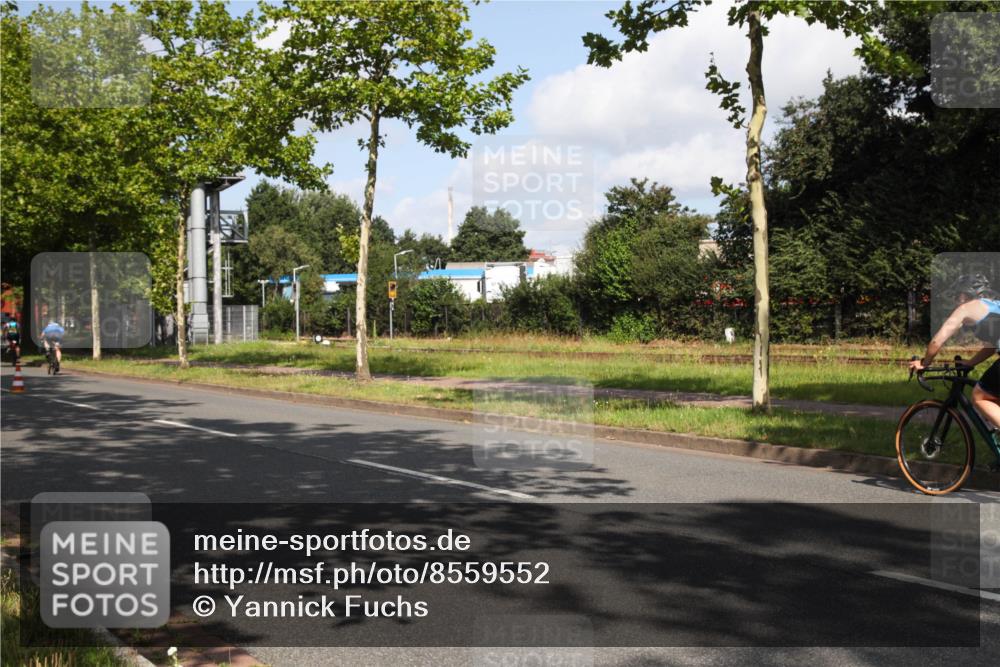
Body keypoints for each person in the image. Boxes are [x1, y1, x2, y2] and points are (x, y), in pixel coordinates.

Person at [909, 273, 1000, 432]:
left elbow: (937, 341)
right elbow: (991, 347)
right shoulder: (994, 305)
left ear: (964, 294)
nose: (955, 300)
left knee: (980, 396)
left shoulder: (965, 308)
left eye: (957, 295)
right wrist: (971, 363)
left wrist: (924, 364)